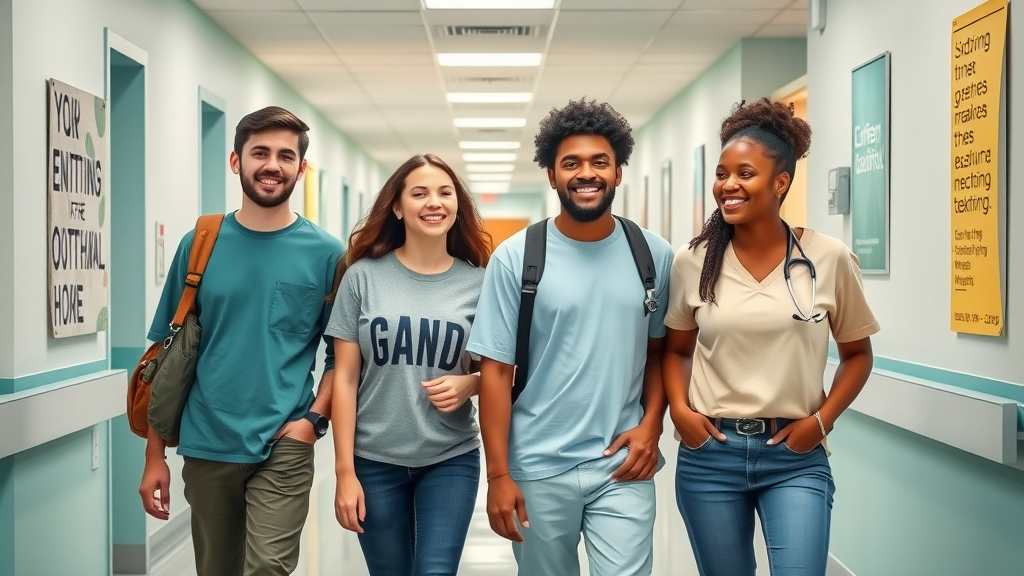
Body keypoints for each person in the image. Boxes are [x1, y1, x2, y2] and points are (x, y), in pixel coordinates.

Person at [663, 98, 880, 576]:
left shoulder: (829, 258)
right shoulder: (693, 260)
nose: (728, 185)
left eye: (745, 173)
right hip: (710, 455)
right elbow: (677, 349)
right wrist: (679, 410)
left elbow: (858, 356)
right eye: (722, 173)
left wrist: (820, 422)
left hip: (794, 454)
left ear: (781, 182)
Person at [467, 98, 675, 576]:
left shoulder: (653, 256)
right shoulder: (518, 258)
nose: (587, 173)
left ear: (618, 172)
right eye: (571, 163)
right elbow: (495, 373)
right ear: (552, 175)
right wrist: (498, 474)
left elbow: (662, 352)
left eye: (600, 162)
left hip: (622, 463)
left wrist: (651, 427)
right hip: (536, 463)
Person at [139, 106, 343, 576]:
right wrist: (155, 457)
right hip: (207, 440)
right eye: (260, 153)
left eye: (286, 156)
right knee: (218, 569)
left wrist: (313, 421)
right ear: (237, 162)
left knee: (268, 567)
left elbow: (340, 355)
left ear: (301, 170)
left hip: (284, 441)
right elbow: (164, 356)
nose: (273, 164)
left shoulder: (328, 254)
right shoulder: (200, 243)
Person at [326, 153, 492, 576]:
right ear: (397, 207)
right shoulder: (361, 277)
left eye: (444, 192)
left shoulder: (480, 283)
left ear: (458, 205)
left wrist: (470, 384)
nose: (433, 202)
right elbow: (344, 378)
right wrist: (345, 471)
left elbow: (502, 371)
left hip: (449, 457)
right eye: (419, 193)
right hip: (373, 459)